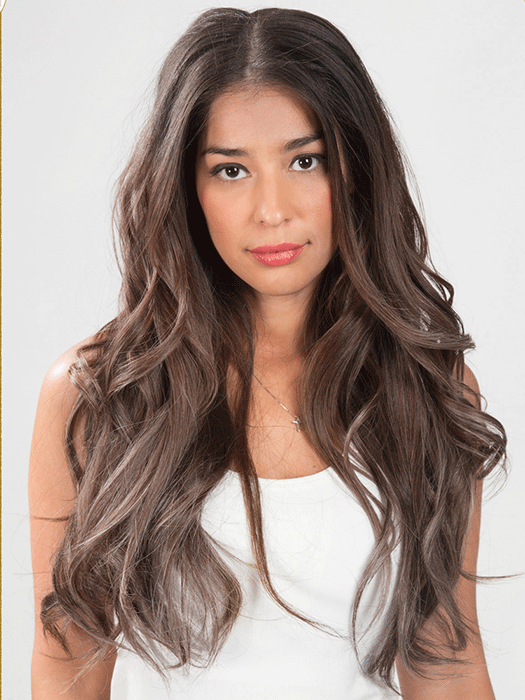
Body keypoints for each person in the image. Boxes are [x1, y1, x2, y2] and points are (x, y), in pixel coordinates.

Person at [29, 7, 507, 699]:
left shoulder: (426, 388)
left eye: (304, 161)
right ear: (187, 189)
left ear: (356, 171)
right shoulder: (98, 394)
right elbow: (66, 664)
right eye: (230, 170)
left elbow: (446, 665)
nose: (272, 209)